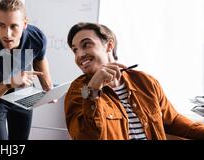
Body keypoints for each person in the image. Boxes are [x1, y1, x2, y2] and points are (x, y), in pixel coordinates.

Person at [64, 22, 204, 140]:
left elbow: (172, 121)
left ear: (109, 45)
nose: (79, 55)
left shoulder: (145, 82)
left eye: (86, 45)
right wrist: (93, 90)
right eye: (75, 50)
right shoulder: (79, 90)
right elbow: (86, 137)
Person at [0, 0, 53, 140]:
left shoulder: (37, 37)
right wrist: (10, 82)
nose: (7, 34)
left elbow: (39, 59)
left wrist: (47, 85)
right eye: (2, 25)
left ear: (25, 23)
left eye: (14, 26)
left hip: (23, 94)